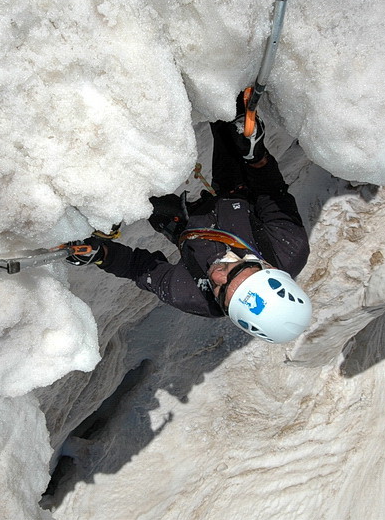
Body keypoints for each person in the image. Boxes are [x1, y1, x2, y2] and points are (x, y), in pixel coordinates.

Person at [67, 91, 312, 343]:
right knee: (230, 118)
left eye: (220, 291)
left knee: (133, 197)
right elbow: (270, 190)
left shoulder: (194, 296)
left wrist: (100, 255)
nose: (216, 276)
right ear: (267, 267)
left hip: (186, 226)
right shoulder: (289, 246)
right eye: (233, 271)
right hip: (237, 195)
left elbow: (138, 267)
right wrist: (255, 155)